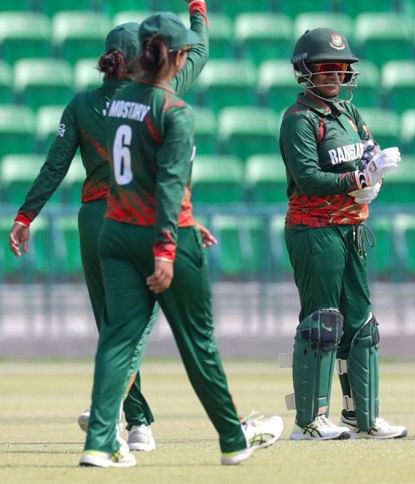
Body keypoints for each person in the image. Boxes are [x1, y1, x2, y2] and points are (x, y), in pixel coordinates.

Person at [7, 0, 221, 454]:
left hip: (95, 222)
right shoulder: (160, 91)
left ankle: (137, 421)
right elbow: (199, 50)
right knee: (136, 324)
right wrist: (198, 11)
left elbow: (55, 165)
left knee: (114, 323)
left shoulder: (82, 104)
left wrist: (26, 215)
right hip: (143, 216)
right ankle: (115, 410)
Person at [80, 11, 283, 468]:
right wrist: (167, 247)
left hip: (116, 231)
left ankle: (100, 443)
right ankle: (233, 439)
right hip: (162, 236)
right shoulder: (174, 110)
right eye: (184, 52)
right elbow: (170, 183)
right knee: (197, 343)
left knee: (116, 340)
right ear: (172, 57)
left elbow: (134, 175)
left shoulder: (116, 103)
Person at [280, 27, 406, 440]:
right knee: (322, 322)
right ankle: (309, 420)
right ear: (305, 71)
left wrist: (374, 175)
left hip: (353, 226)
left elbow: (368, 151)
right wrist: (356, 179)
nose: (334, 74)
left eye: (340, 67)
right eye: (325, 67)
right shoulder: (298, 119)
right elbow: (308, 177)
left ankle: (362, 416)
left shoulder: (350, 114)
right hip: (314, 229)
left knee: (360, 323)